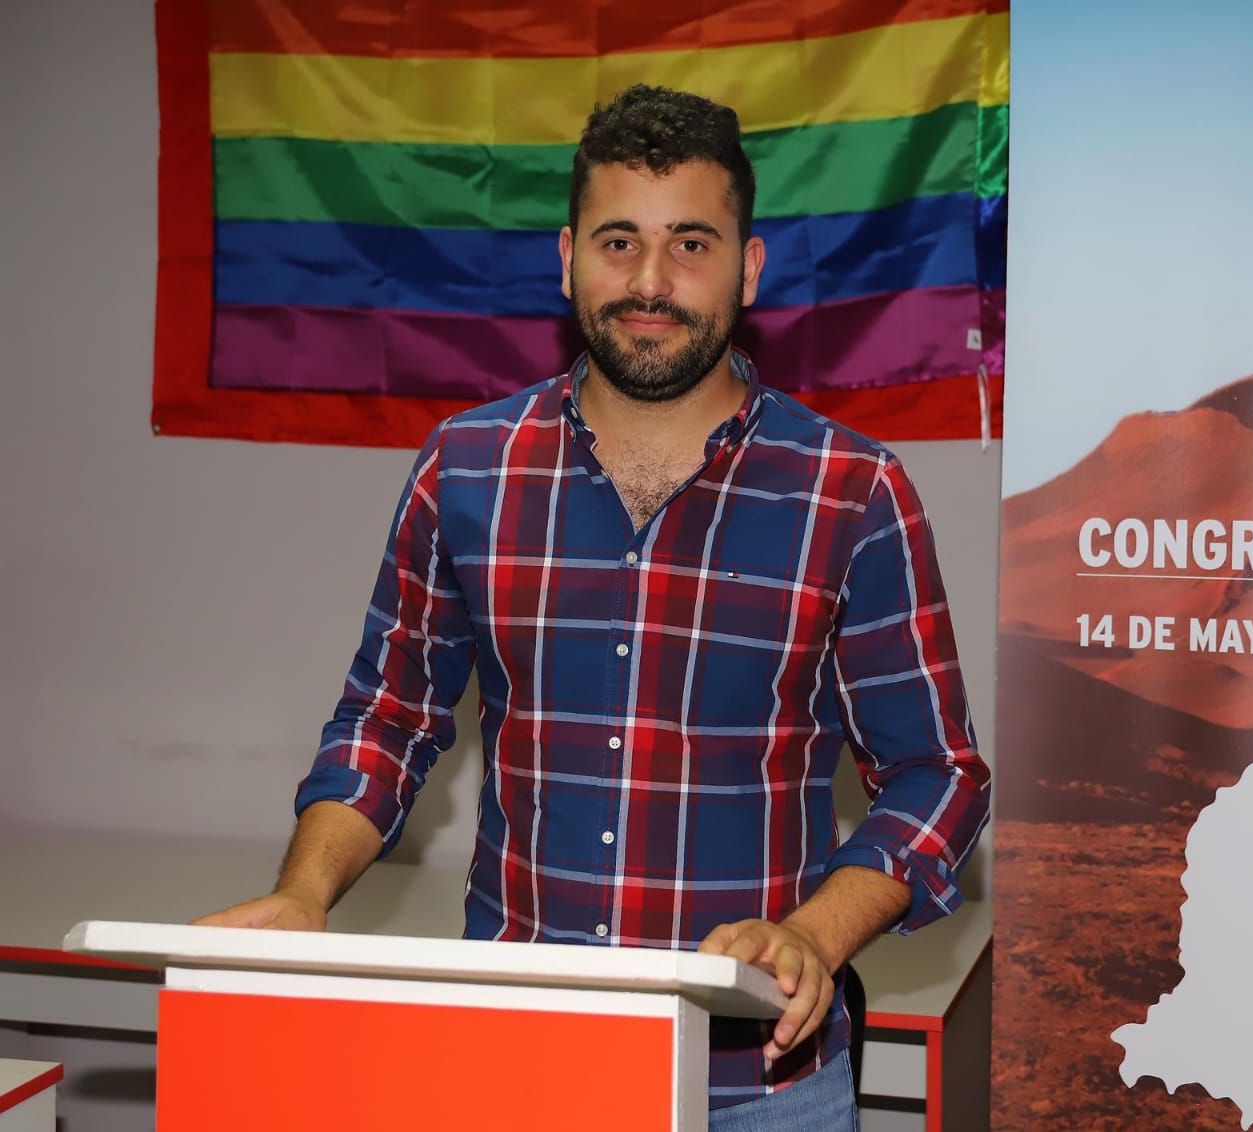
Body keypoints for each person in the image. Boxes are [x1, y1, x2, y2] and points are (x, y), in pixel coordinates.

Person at [196, 84, 990, 1130]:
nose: (650, 282)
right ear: (566, 257)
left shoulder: (853, 491)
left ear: (748, 270)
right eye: (619, 242)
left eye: (691, 244)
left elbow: (939, 774)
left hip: (756, 1090)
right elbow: (387, 723)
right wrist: (304, 892)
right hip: (519, 1070)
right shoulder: (466, 468)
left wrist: (816, 932)